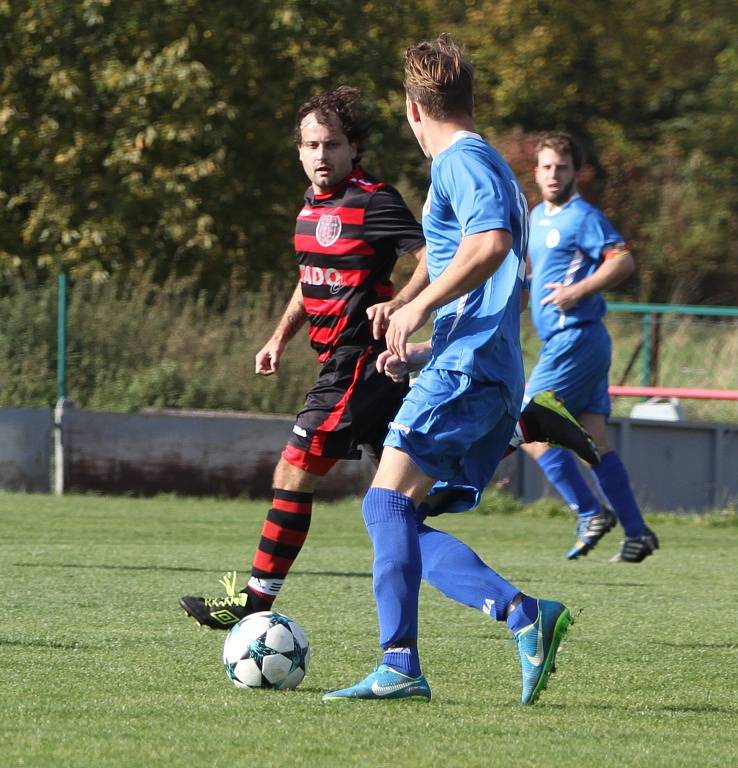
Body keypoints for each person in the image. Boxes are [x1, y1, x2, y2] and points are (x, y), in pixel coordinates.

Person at [178, 87, 594, 633]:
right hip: (345, 363)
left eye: (332, 144)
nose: (321, 154)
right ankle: (522, 431)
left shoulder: (374, 200)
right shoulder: (309, 209)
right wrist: (279, 337)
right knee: (401, 514)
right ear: (298, 151)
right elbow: (309, 283)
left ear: (355, 149)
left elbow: (431, 256)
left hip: (360, 364)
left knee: (294, 469)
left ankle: (257, 602)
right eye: (311, 144)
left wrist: (405, 303)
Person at [323, 36, 571, 705]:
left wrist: (420, 309)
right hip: (474, 366)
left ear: (412, 110)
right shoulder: (481, 165)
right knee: (395, 515)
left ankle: (413, 661)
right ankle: (517, 619)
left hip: (471, 372)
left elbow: (489, 245)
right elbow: (461, 250)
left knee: (383, 505)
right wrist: (408, 306)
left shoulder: (461, 163)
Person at [521, 132, 659, 563]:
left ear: (575, 172)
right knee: (594, 441)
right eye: (546, 166)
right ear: (537, 171)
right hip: (573, 342)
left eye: (562, 167)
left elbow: (623, 260)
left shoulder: (584, 216)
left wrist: (577, 290)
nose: (553, 174)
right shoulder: (535, 217)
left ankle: (589, 512)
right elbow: (529, 275)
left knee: (526, 424)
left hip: (576, 337)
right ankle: (636, 532)